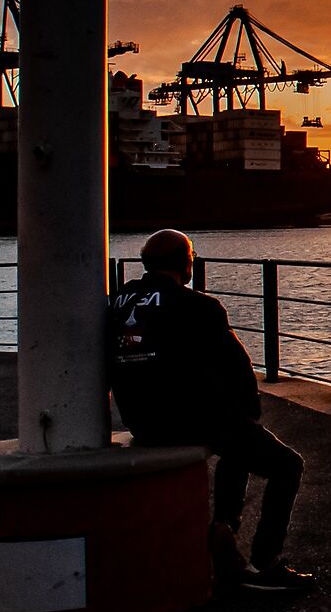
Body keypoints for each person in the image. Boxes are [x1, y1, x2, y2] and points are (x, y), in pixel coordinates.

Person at [108, 229, 315, 591]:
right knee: (286, 464)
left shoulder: (116, 304)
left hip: (143, 421)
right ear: (186, 263)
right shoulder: (198, 306)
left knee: (237, 445)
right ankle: (264, 563)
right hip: (192, 420)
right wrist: (249, 411)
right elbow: (237, 365)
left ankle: (225, 530)